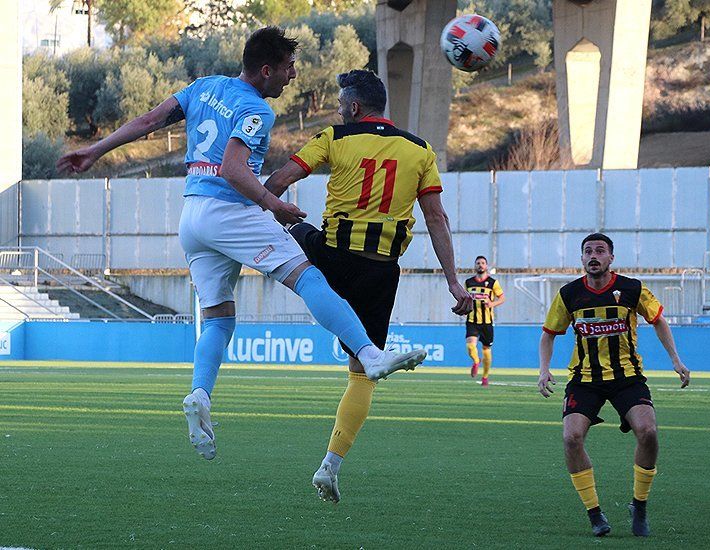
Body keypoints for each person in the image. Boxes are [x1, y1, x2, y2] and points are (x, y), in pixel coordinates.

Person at [55, 28, 425, 462]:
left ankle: (199, 394)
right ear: (266, 70)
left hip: (192, 215)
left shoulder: (204, 86)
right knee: (309, 278)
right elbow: (233, 168)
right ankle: (368, 353)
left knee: (218, 320)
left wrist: (94, 151)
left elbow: (148, 121)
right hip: (229, 211)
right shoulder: (255, 110)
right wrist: (273, 204)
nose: (292, 76)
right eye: (288, 68)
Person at [263, 69, 473, 503]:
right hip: (381, 272)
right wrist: (454, 282)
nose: (339, 110)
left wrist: (279, 208)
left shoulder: (335, 137)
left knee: (291, 229)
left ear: (354, 107)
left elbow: (277, 183)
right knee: (362, 375)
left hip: (332, 256)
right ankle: (330, 466)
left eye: (341, 104)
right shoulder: (420, 150)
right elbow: (436, 219)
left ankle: (229, 267)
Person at [537, 233, 690, 538]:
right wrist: (544, 370)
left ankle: (640, 504)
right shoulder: (569, 294)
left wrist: (675, 359)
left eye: (600, 251)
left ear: (611, 258)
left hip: (627, 379)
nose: (593, 256)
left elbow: (658, 320)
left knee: (648, 431)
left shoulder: (632, 289)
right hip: (585, 381)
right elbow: (549, 333)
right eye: (588, 252)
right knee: (571, 438)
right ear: (582, 259)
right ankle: (594, 513)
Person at [465, 255, 505, 386]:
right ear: (475, 266)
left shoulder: (493, 283)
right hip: (472, 320)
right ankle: (476, 361)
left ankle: (485, 377)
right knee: (470, 345)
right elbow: (464, 298)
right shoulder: (468, 282)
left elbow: (502, 298)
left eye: (482, 263)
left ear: (486, 266)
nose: (480, 265)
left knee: (486, 349)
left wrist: (491, 304)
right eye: (478, 263)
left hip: (487, 322)